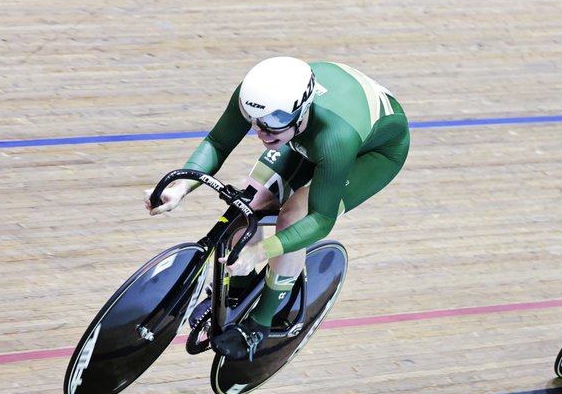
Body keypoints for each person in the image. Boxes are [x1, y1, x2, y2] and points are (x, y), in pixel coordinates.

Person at [145, 57, 410, 360]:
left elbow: (321, 220)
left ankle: (260, 323)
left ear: (301, 111)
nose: (261, 132)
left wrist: (261, 251)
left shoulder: (336, 138)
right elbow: (218, 142)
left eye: (271, 123)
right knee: (248, 204)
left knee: (293, 217)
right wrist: (180, 188)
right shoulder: (260, 99)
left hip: (373, 152)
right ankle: (239, 291)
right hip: (310, 130)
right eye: (254, 121)